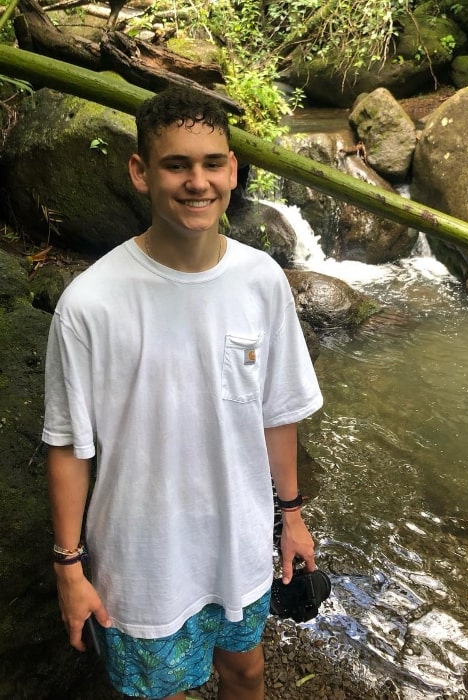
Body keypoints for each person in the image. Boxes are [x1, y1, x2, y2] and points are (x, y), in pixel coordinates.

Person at [43, 86, 323, 700]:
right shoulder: (91, 303)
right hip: (142, 557)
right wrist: (69, 566)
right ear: (140, 172)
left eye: (212, 163)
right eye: (177, 164)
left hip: (239, 541)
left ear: (233, 170)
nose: (198, 182)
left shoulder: (261, 280)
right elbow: (68, 445)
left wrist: (292, 516)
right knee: (157, 693)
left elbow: (278, 412)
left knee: (245, 670)